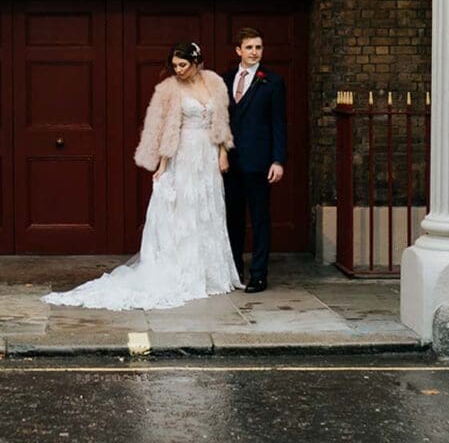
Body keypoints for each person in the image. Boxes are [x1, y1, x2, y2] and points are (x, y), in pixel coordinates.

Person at [42, 41, 241, 310]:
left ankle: (210, 272)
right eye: (174, 66)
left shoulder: (213, 84)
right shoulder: (172, 90)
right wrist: (162, 164)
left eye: (182, 65)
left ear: (196, 63)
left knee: (207, 209)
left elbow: (220, 120)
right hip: (183, 153)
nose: (178, 70)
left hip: (207, 153)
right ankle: (184, 270)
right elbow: (169, 128)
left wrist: (222, 152)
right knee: (184, 210)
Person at [222, 27, 286, 293]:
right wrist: (220, 152)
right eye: (249, 47)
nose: (254, 52)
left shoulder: (271, 81)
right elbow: (219, 120)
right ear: (238, 50)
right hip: (230, 162)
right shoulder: (224, 80)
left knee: (259, 218)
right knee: (233, 218)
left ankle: (259, 274)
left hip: (259, 161)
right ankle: (235, 268)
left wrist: (278, 160)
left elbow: (279, 123)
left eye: (258, 47)